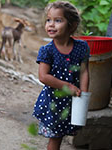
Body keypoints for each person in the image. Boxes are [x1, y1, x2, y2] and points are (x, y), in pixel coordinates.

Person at [32, 1, 90, 150]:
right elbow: (43, 77)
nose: (51, 24)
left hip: (72, 101)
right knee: (55, 138)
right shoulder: (47, 51)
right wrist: (68, 86)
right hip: (54, 103)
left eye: (58, 20)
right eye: (48, 20)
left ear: (72, 25)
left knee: (64, 133)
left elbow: (84, 71)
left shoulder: (81, 47)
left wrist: (83, 94)